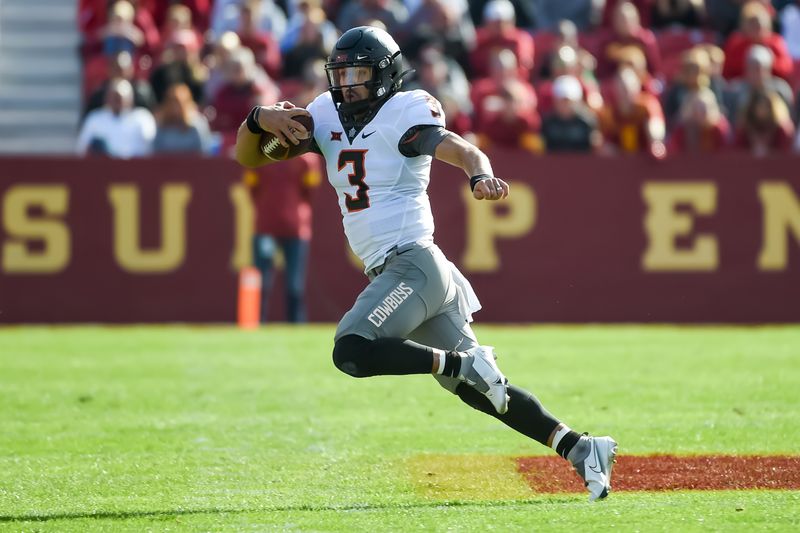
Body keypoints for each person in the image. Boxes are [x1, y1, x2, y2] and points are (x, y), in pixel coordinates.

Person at [234, 25, 618, 501]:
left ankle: (463, 362)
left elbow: (461, 148)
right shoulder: (324, 115)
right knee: (479, 390)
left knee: (352, 349)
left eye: (357, 73)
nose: (346, 84)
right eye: (341, 73)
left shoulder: (405, 111)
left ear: (384, 74)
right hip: (403, 272)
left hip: (413, 265)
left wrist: (480, 175)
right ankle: (581, 447)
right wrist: (258, 118)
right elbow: (249, 158)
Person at [77, 78, 156, 157]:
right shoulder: (94, 118)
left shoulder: (142, 118)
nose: (117, 101)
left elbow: (151, 144)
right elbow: (82, 148)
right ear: (107, 97)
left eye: (120, 98)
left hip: (137, 167)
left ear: (130, 98)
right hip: (104, 167)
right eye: (114, 97)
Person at [153, 83, 214, 154]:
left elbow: (205, 151)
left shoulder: (197, 125)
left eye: (178, 102)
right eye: (171, 102)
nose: (174, 106)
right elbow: (155, 151)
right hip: (167, 165)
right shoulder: (161, 126)